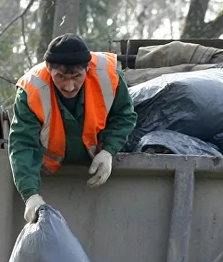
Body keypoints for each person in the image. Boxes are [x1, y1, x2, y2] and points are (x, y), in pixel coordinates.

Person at [10, 33, 138, 223]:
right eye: (60, 77)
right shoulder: (31, 90)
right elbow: (22, 144)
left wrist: (109, 151)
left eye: (77, 76)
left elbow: (124, 116)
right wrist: (30, 195)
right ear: (48, 68)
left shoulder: (108, 77)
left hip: (96, 165)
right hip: (50, 173)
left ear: (87, 68)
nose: (69, 86)